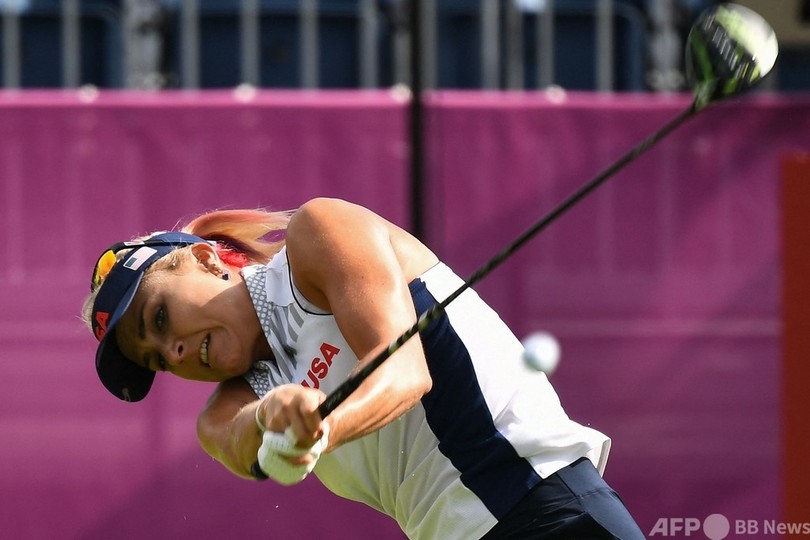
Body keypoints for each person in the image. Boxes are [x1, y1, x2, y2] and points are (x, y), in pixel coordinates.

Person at [83, 197, 645, 539]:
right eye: (155, 360)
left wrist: (319, 428)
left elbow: (404, 372)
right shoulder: (222, 411)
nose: (173, 353)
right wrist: (274, 423)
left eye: (159, 318)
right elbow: (240, 437)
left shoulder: (317, 235)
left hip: (546, 505)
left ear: (206, 258)